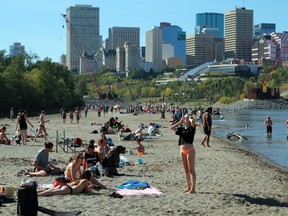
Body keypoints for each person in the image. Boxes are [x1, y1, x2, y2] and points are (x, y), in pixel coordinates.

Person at [171, 114, 196, 194]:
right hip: (182, 151)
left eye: (186, 118)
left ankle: (193, 189)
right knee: (186, 170)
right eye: (185, 118)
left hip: (190, 150)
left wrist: (190, 118)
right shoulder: (181, 129)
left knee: (191, 170)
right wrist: (180, 121)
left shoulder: (192, 128)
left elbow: (193, 123)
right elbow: (172, 128)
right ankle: (188, 187)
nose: (185, 119)